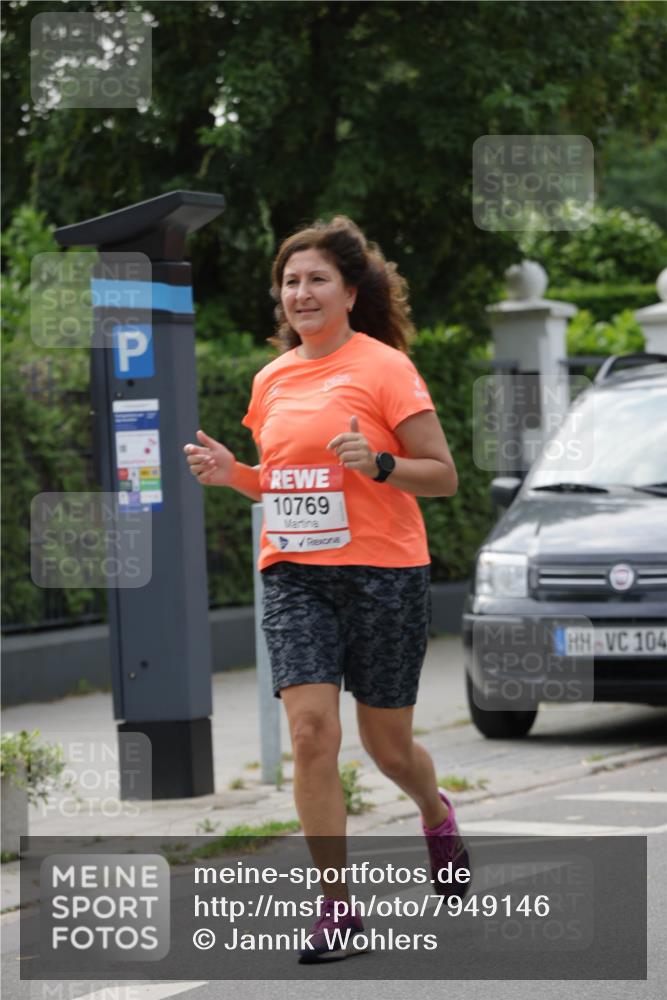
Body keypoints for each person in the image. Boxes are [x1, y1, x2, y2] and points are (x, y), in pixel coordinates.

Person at [183, 216, 470, 963]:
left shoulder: (385, 368)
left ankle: (434, 814)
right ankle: (337, 910)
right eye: (289, 281)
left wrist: (377, 463)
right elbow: (279, 486)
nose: (300, 293)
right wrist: (233, 474)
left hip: (383, 572)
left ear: (349, 290)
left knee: (388, 746)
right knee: (312, 734)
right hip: (295, 574)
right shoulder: (270, 378)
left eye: (315, 279)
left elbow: (441, 475)